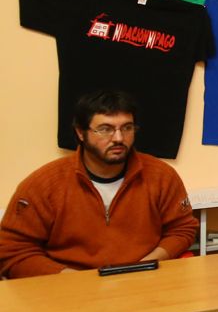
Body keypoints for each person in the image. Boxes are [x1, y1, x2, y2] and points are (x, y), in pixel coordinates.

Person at [0, 89, 199, 278]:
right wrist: (71, 279)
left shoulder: (161, 176)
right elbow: (13, 250)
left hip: (143, 280)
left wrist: (146, 265)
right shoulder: (44, 184)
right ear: (80, 133)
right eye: (105, 129)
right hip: (68, 288)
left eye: (127, 128)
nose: (119, 138)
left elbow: (182, 229)